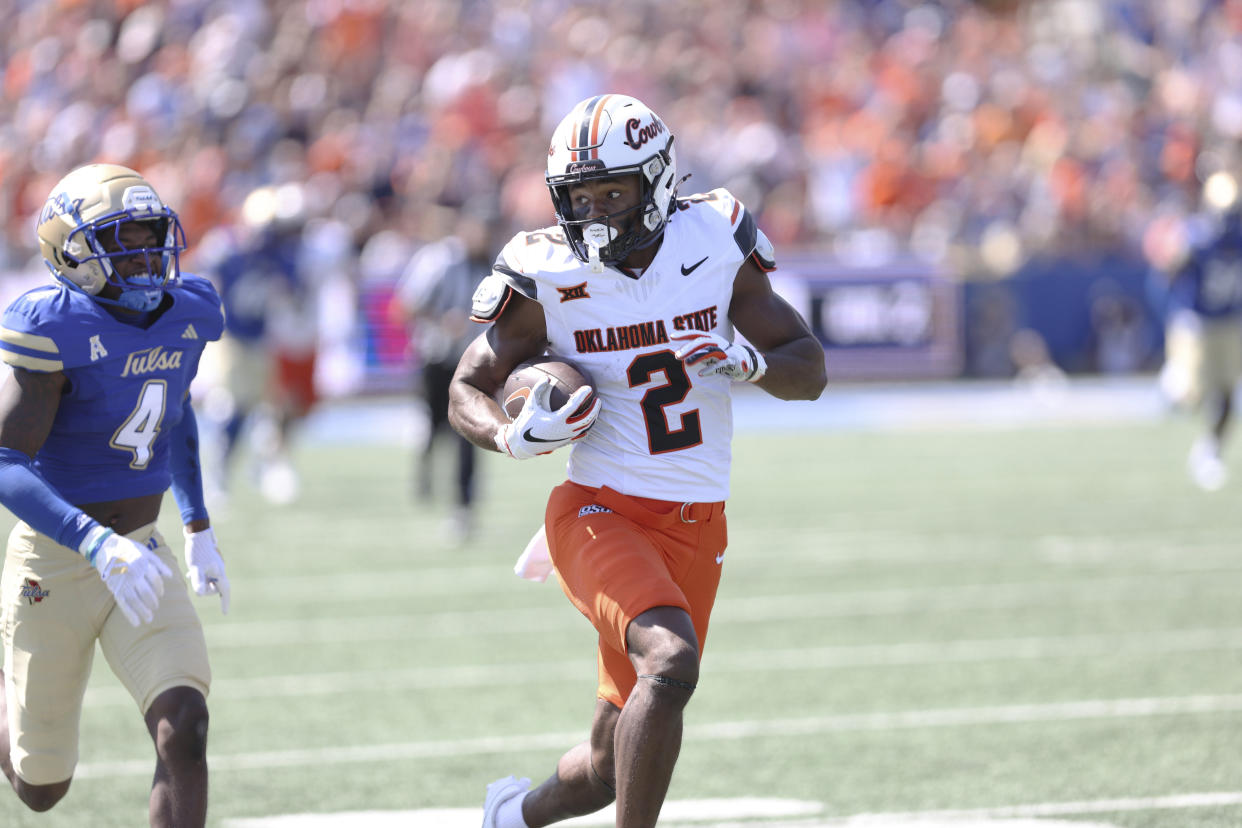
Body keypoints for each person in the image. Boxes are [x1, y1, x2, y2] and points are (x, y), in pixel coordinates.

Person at [448, 94, 826, 828]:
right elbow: (469, 385)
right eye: (578, 197)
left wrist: (749, 363)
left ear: (657, 181)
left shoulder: (714, 238)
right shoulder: (549, 270)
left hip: (697, 522)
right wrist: (506, 435)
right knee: (670, 663)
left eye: (612, 192)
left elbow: (807, 369)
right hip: (600, 510)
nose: (594, 212)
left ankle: (509, 817)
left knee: (605, 766)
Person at [0, 164, 229, 826]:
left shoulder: (188, 311)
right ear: (70, 253)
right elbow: (7, 457)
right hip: (55, 562)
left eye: (149, 235)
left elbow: (176, 415)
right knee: (40, 789)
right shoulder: (53, 326)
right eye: (120, 240)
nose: (143, 254)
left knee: (184, 725)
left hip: (141, 550)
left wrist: (197, 526)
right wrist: (94, 543)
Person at [394, 209, 492, 542]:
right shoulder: (439, 261)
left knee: (471, 434)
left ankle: (463, 507)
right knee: (433, 426)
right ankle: (425, 472)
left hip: (473, 363)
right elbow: (405, 306)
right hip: (436, 357)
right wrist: (441, 321)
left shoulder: (496, 263)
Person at [1157, 174, 1242, 491]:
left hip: (1231, 322)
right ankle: (1172, 380)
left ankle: (1211, 451)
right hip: (1198, 321)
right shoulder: (1196, 237)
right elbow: (1168, 275)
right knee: (1191, 395)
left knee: (1227, 394)